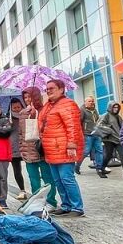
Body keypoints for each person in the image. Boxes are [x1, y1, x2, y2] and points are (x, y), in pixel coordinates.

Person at [38, 79, 86, 217]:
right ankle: (66, 205)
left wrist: (72, 145)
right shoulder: (49, 105)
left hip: (63, 148)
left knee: (67, 179)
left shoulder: (67, 104)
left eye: (51, 88)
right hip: (52, 148)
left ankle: (77, 208)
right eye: (47, 89)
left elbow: (73, 127)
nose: (48, 91)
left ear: (61, 89)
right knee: (58, 180)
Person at [17, 87, 56, 209]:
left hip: (42, 149)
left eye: (30, 97)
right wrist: (22, 148)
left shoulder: (45, 110)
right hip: (28, 151)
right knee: (33, 178)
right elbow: (21, 134)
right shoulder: (23, 113)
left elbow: (49, 128)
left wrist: (36, 115)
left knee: (48, 177)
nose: (28, 99)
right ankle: (36, 202)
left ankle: (51, 201)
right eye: (25, 97)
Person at [93, 102, 123, 179]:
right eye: (114, 107)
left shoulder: (118, 117)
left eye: (117, 107)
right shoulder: (106, 116)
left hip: (118, 138)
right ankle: (101, 169)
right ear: (110, 108)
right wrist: (110, 130)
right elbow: (99, 125)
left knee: (122, 155)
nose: (115, 109)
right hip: (109, 139)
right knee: (108, 155)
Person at [7, 99, 27, 200]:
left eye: (18, 107)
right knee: (17, 170)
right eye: (14, 108)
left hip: (27, 146)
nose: (17, 109)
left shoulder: (26, 115)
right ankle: (22, 190)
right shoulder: (7, 118)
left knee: (31, 169)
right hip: (13, 146)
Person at [78, 97, 102, 174]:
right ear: (85, 102)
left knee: (99, 151)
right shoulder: (82, 110)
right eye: (89, 101)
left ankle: (99, 168)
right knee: (85, 152)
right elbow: (79, 122)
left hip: (96, 133)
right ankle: (77, 166)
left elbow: (98, 120)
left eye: (92, 101)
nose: (91, 102)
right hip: (87, 134)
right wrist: (81, 132)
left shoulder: (94, 110)